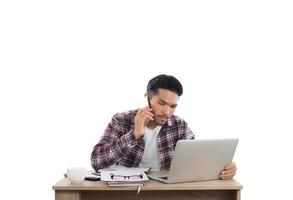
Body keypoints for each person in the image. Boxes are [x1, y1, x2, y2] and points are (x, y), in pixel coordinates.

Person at [91, 74, 237, 180]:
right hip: (127, 189)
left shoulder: (179, 126)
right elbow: (96, 162)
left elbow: (197, 162)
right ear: (147, 98)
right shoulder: (121, 120)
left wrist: (224, 168)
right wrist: (134, 134)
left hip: (165, 190)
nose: (167, 112)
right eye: (161, 103)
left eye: (173, 106)